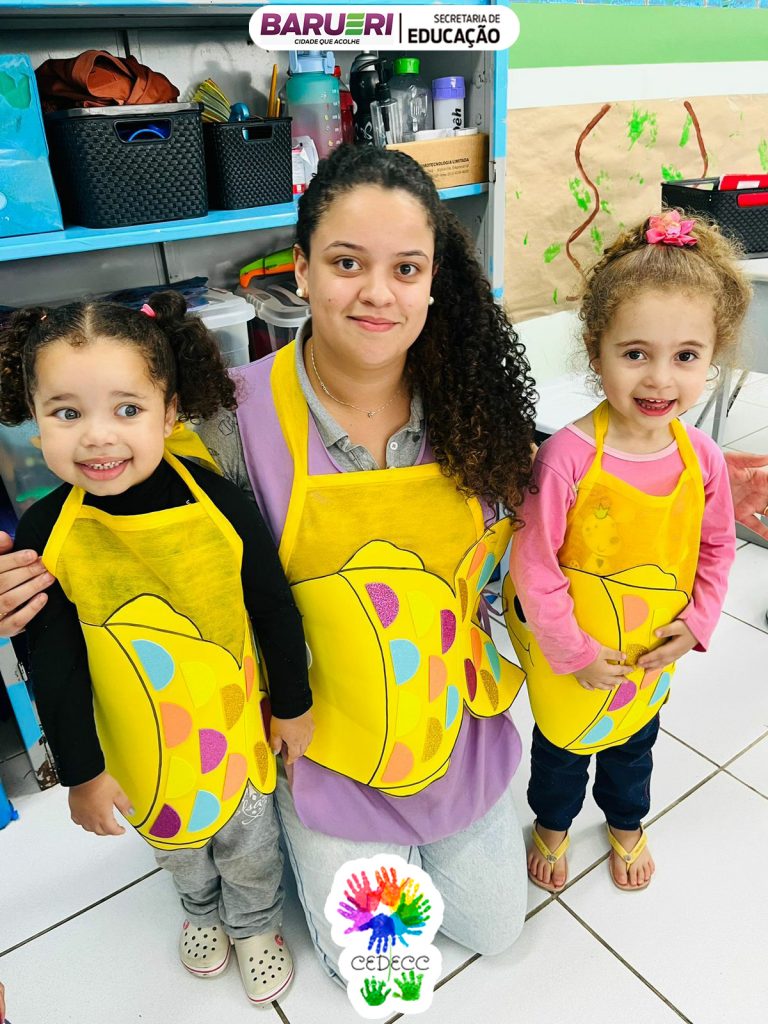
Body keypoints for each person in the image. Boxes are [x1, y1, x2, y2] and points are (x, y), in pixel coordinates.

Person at [0, 145, 537, 983]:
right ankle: (292, 833)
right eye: (347, 262)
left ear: (435, 280)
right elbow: (114, 546)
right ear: (301, 270)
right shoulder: (223, 422)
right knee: (380, 965)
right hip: (312, 744)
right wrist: (28, 586)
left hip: (448, 724)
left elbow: (542, 545)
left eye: (406, 268)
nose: (377, 292)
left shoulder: (477, 402)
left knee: (495, 928)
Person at [0, 293, 313, 1004]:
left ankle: (255, 920)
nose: (97, 437)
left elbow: (272, 606)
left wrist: (294, 705)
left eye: (127, 409)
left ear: (169, 413)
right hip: (138, 742)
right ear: (34, 419)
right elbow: (53, 664)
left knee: (249, 839)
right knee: (176, 844)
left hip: (233, 728)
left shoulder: (221, 503)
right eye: (67, 412)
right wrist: (83, 773)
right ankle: (199, 907)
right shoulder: (46, 532)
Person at [507, 210, 751, 893]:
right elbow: (533, 564)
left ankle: (626, 820)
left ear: (713, 356)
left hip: (648, 654)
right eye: (635, 353)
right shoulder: (565, 458)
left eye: (686, 356)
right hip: (575, 655)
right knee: (561, 752)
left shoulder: (702, 457)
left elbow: (716, 548)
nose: (659, 380)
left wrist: (698, 622)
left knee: (635, 748)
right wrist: (574, 652)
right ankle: (552, 823)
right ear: (597, 351)